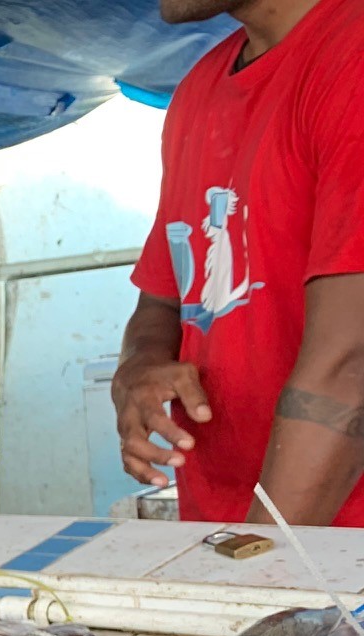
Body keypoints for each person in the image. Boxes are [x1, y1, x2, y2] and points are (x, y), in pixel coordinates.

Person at [112, 0, 364, 527]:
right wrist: (138, 365)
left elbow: (351, 366)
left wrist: (258, 579)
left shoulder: (351, 56)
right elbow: (164, 298)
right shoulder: (198, 90)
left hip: (333, 566)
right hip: (233, 541)